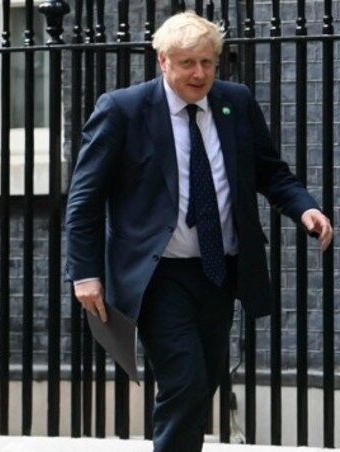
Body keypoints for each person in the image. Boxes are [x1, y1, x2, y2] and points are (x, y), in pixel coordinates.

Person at [65, 11, 332, 452]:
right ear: (163, 62)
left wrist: (305, 209)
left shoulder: (235, 102)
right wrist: (85, 273)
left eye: (208, 62)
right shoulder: (124, 110)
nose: (199, 73)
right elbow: (84, 198)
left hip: (218, 269)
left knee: (204, 380)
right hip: (158, 275)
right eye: (188, 63)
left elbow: (271, 172)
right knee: (184, 381)